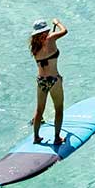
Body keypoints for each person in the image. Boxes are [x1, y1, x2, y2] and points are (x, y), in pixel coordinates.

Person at [28, 17, 69, 145]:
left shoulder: (34, 46)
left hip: (41, 81)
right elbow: (64, 31)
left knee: (39, 109)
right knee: (59, 108)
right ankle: (57, 138)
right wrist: (57, 23)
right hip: (54, 80)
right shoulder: (50, 39)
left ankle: (36, 137)